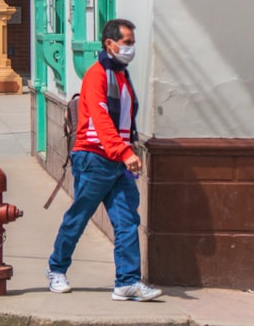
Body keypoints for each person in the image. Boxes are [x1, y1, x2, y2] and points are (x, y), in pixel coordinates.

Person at [46, 18, 163, 302]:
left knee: (126, 221)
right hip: (95, 159)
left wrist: (125, 153)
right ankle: (56, 269)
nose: (132, 49)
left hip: (118, 161)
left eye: (133, 43)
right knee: (80, 216)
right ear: (110, 44)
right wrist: (125, 152)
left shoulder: (122, 75)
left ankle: (127, 282)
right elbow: (100, 120)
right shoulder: (96, 75)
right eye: (128, 43)